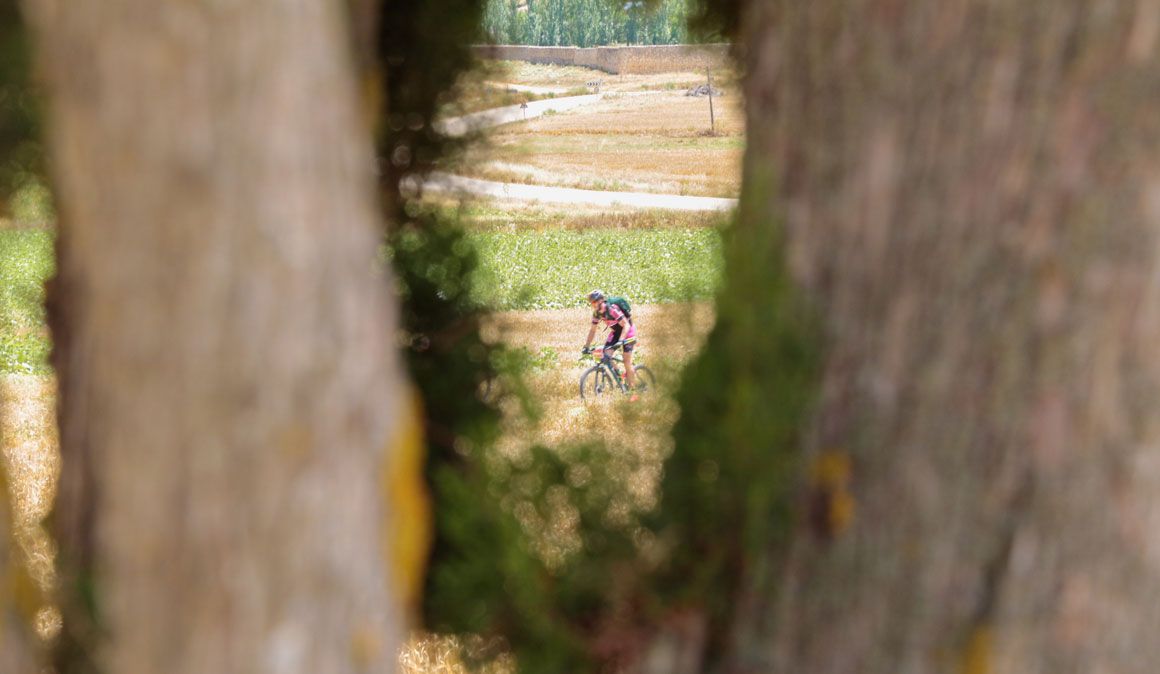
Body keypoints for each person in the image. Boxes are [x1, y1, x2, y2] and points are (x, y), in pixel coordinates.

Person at [582, 289, 639, 399]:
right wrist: (586, 346)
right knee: (606, 354)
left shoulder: (612, 309)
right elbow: (593, 330)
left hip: (628, 331)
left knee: (627, 361)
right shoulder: (596, 314)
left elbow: (626, 325)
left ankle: (633, 391)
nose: (593, 305)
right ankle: (620, 377)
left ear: (601, 300)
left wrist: (621, 340)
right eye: (591, 303)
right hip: (616, 333)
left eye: (594, 302)